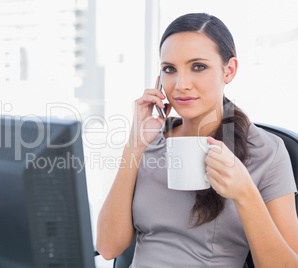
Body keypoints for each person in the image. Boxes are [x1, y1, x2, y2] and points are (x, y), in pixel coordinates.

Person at [96, 13, 298, 267]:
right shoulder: (150, 142)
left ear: (229, 70)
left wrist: (245, 192)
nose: (181, 84)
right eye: (169, 69)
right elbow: (107, 247)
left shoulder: (266, 152)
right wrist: (134, 147)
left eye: (198, 67)